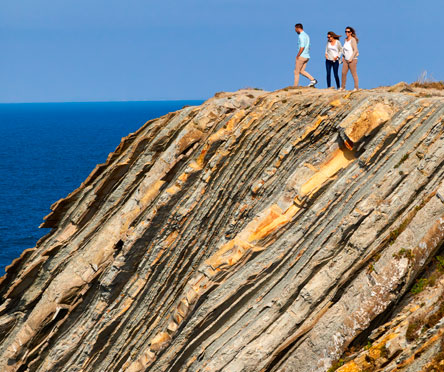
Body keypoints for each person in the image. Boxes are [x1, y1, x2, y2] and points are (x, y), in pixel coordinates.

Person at [294, 23, 318, 87]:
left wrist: (298, 55)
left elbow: (302, 46)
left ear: (298, 28)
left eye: (295, 29)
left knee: (296, 72)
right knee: (301, 71)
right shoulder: (307, 35)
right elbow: (309, 46)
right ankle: (313, 80)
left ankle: (295, 86)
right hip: (307, 56)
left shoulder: (301, 36)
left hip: (302, 56)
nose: (295, 30)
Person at [340, 26, 359, 91]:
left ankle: (356, 88)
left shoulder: (352, 40)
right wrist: (343, 56)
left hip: (352, 60)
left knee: (354, 73)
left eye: (348, 32)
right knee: (343, 73)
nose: (347, 33)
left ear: (351, 32)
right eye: (346, 31)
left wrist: (351, 58)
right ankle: (342, 87)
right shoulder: (345, 40)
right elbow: (344, 50)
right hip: (345, 60)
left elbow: (355, 50)